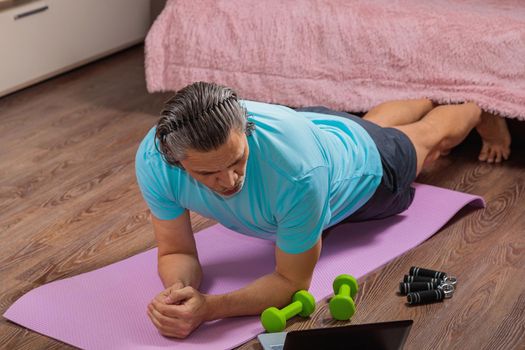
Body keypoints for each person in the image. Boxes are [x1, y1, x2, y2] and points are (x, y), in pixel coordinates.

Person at [135, 81, 492, 338]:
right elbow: (177, 250)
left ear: (246, 128)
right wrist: (178, 293)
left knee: (428, 139)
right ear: (176, 161)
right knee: (367, 127)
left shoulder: (297, 173)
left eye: (238, 160)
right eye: (207, 173)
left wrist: (210, 308)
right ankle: (426, 93)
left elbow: (290, 281)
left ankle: (477, 104)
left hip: (368, 169)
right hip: (316, 128)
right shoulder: (155, 159)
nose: (229, 181)